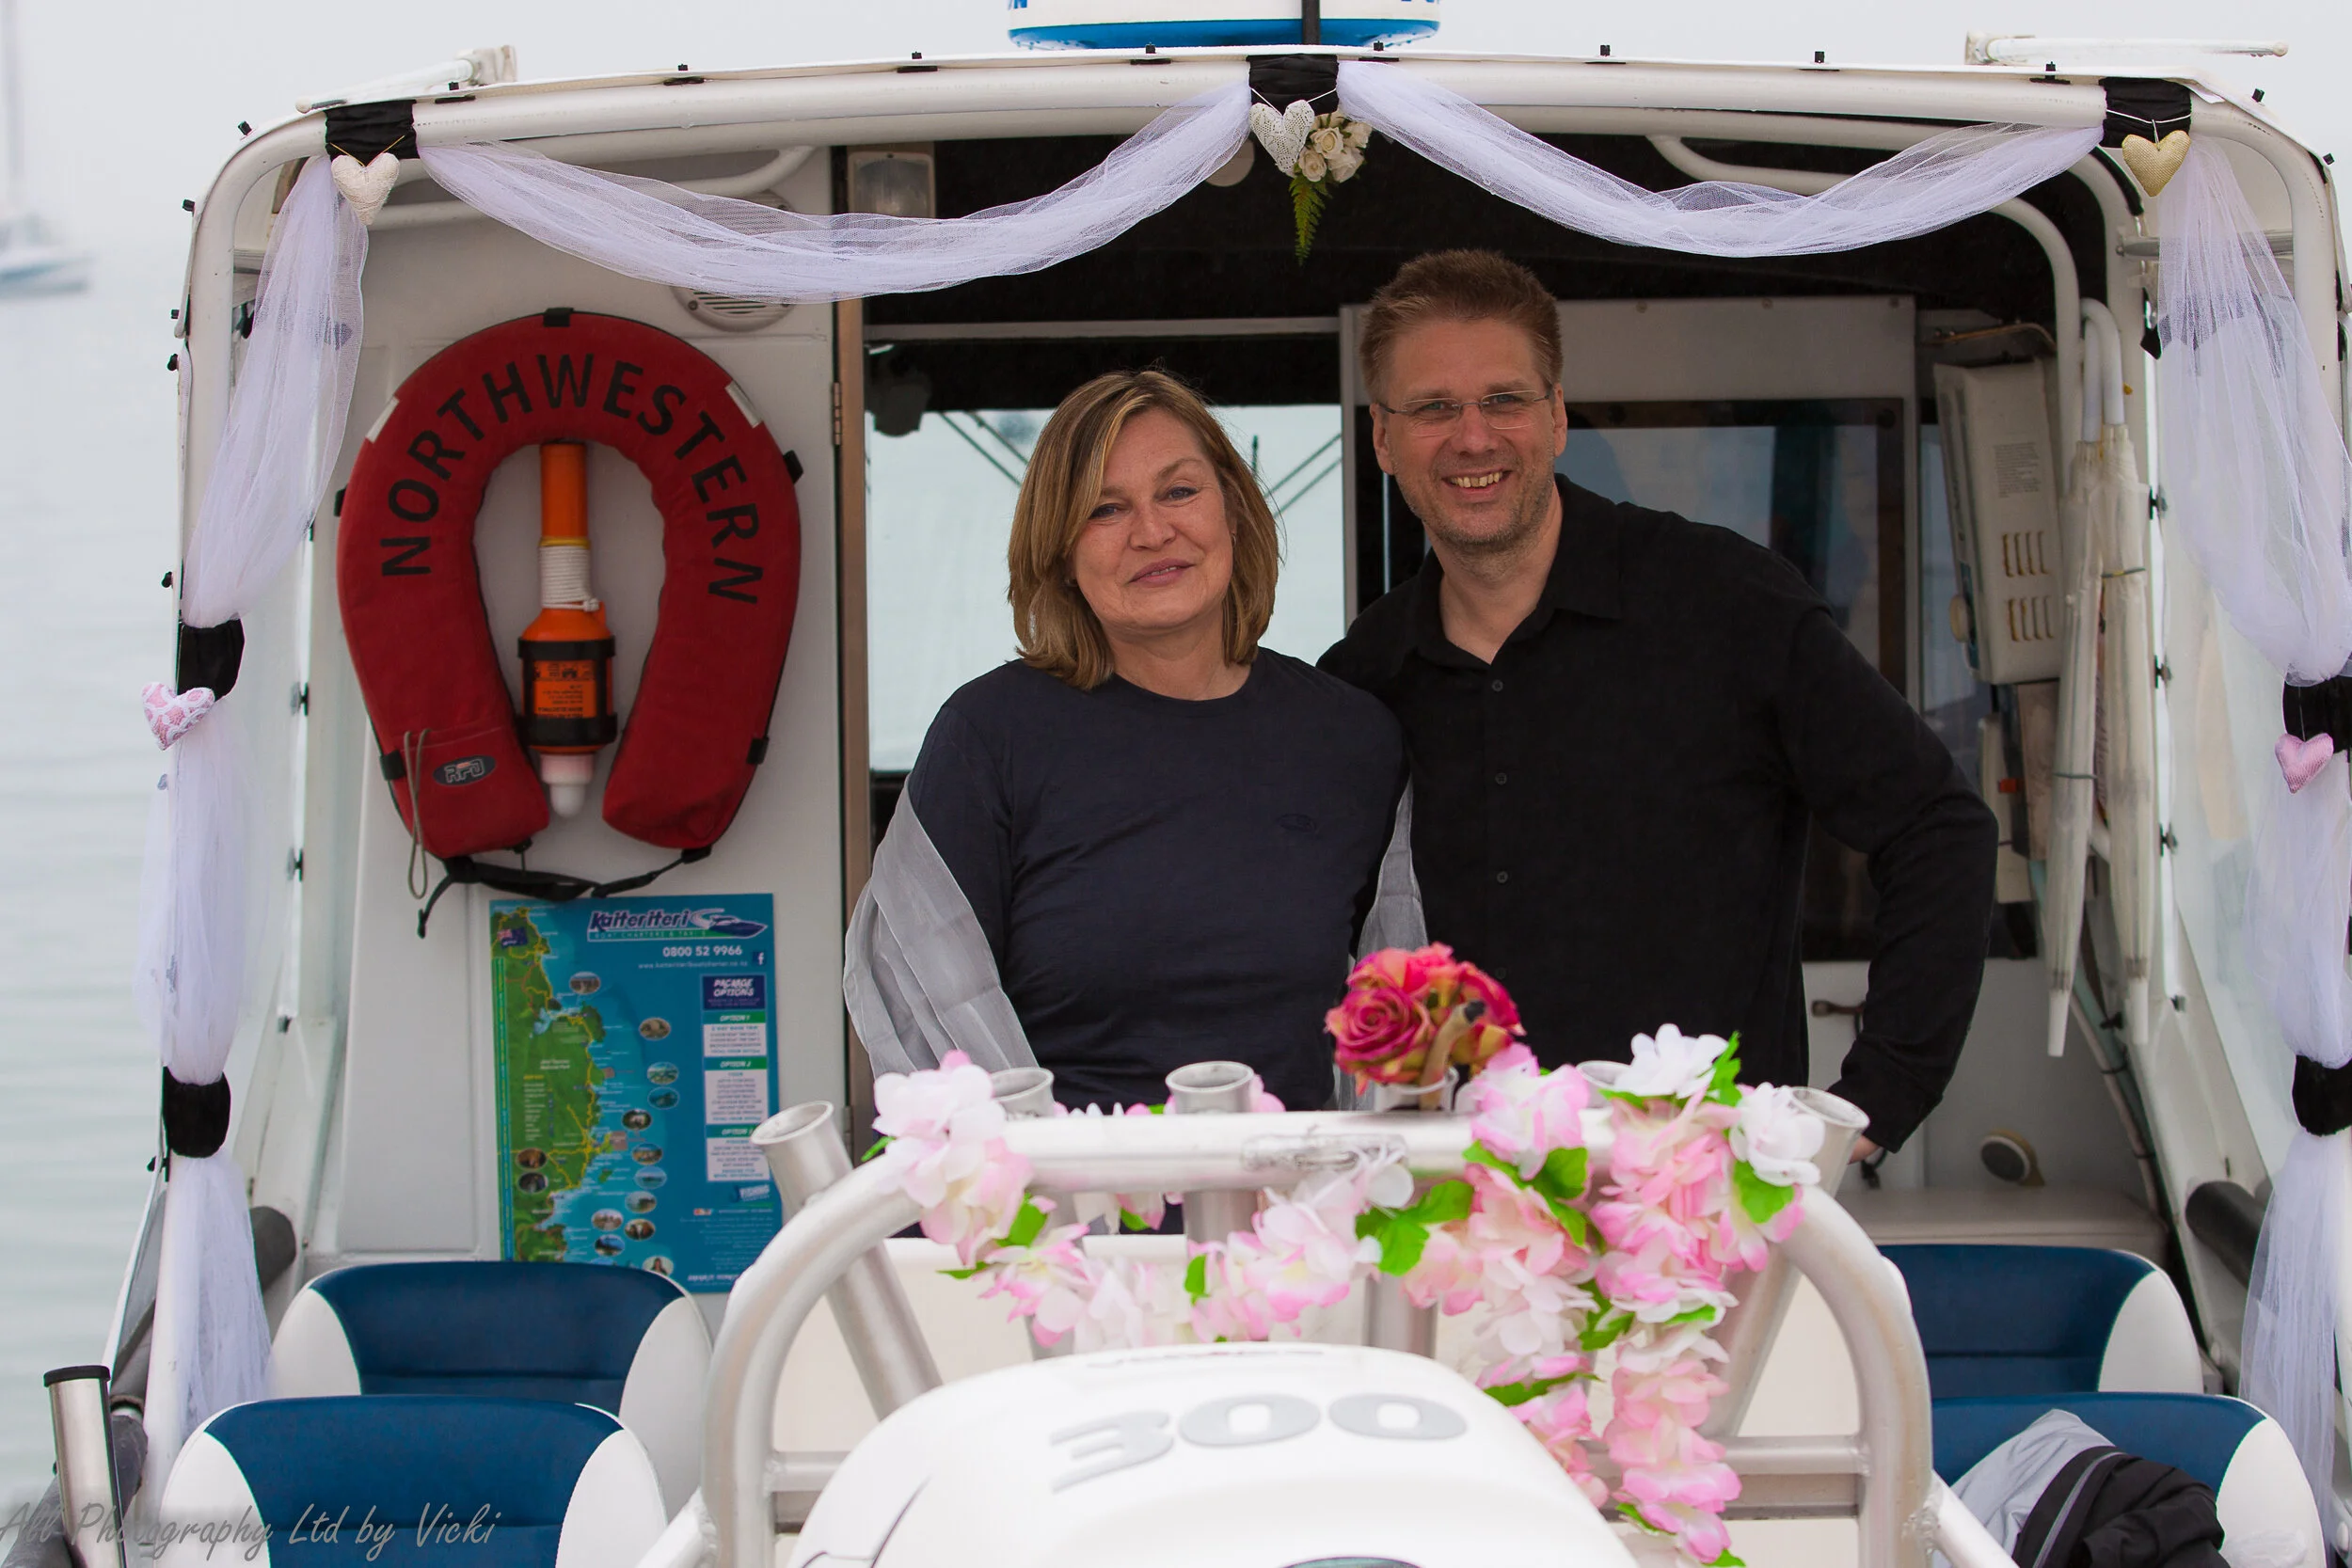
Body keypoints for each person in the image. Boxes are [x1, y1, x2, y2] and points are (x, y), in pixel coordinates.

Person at [1320, 251, 1997, 1160]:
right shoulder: (1362, 676)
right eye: (1433, 407)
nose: (1472, 437)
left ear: (1556, 416)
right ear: (1381, 439)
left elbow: (1940, 828)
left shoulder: (1727, 603)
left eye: (1505, 400)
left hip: (1702, 1218)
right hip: (1456, 1214)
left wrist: (1869, 1111)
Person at [848, 370, 1407, 1113]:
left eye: (1179, 492)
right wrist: (1052, 1205)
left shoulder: (1348, 736)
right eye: (1106, 508)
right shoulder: (990, 737)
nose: (1152, 531)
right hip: (1069, 1217)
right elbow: (917, 1011)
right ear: (1060, 552)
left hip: (1300, 1213)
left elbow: (1401, 1012)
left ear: (1233, 511)